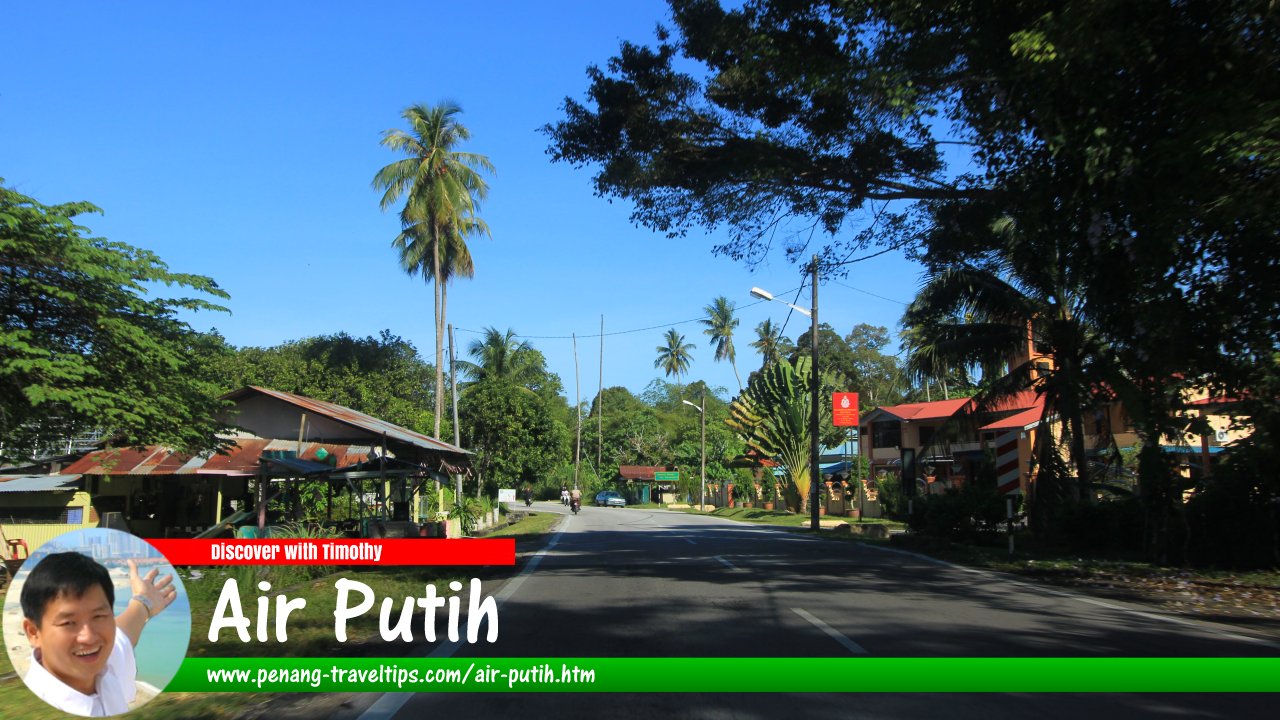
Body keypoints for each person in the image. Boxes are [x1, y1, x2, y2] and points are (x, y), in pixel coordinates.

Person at [20, 552, 178, 717]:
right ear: (33, 632)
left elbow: (123, 634)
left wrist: (144, 601)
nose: (88, 637)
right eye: (68, 623)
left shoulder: (104, 665)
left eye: (98, 616)